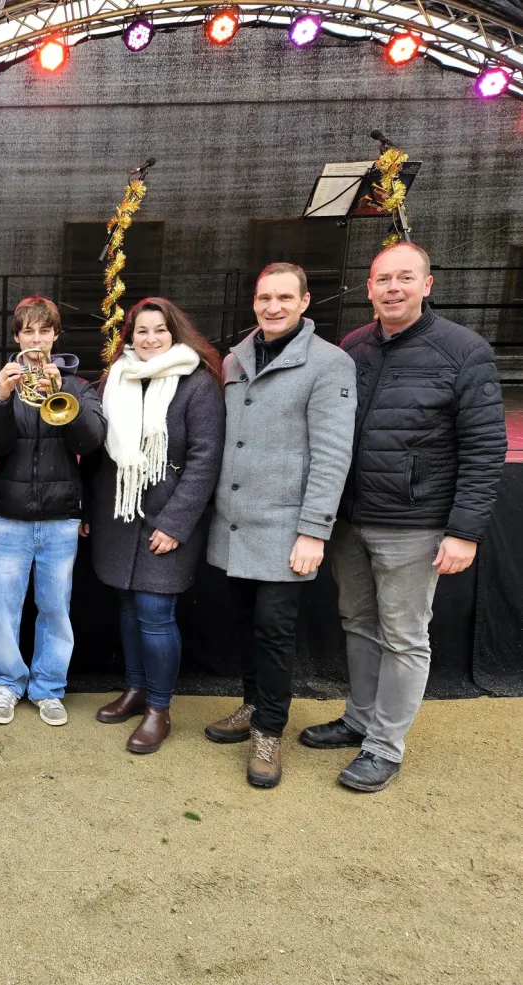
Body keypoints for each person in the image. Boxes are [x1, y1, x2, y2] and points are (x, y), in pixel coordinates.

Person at [300, 243, 506, 792]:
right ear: (368, 288)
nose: (393, 288)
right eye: (383, 279)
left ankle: (384, 747)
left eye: (405, 278)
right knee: (358, 624)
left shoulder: (465, 351)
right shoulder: (352, 348)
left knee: (406, 638)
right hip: (350, 521)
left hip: (414, 526)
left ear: (427, 285)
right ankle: (357, 719)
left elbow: (485, 449)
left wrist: (464, 531)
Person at [205, 263, 356, 788]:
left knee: (274, 630)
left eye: (284, 297)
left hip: (288, 528)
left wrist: (314, 530)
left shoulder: (329, 364)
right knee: (246, 623)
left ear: (305, 301)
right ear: (254, 302)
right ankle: (252, 704)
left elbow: (333, 455)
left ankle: (270, 729)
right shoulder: (235, 359)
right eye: (265, 297)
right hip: (236, 523)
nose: (273, 306)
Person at [90, 298, 225, 753]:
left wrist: (176, 523)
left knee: (154, 614)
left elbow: (206, 460)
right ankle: (135, 689)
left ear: (176, 333)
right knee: (128, 607)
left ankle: (159, 709)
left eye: (160, 330)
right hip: (120, 516)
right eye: (141, 331)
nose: (149, 339)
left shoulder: (197, 384)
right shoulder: (115, 380)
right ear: (129, 338)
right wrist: (91, 513)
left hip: (167, 520)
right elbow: (99, 454)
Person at [0, 296, 105, 727]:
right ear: (16, 337)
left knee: (55, 607)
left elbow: (89, 442)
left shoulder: (77, 386)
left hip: (59, 516)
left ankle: (49, 687)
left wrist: (61, 392)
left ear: (55, 335)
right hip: (9, 513)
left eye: (44, 331)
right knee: (3, 606)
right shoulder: (4, 383)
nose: (36, 339)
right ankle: (6, 683)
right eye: (28, 331)